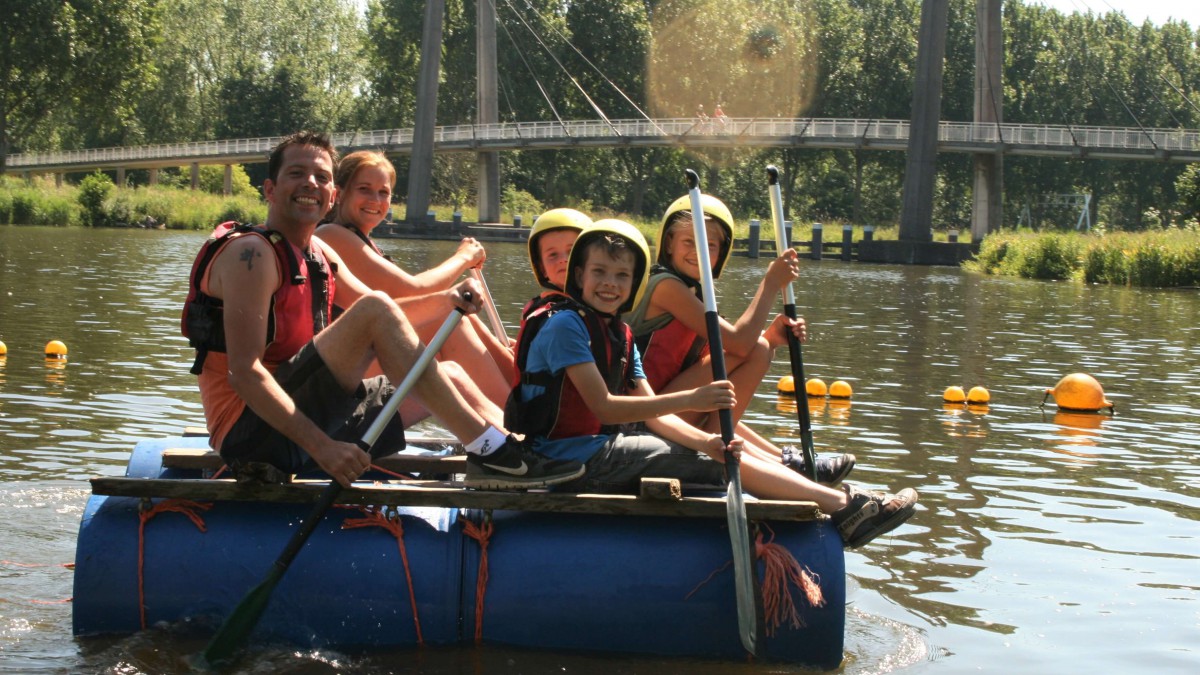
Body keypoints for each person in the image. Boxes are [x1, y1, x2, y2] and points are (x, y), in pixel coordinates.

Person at [181, 131, 583, 490]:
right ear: (269, 189)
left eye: (322, 177)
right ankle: (499, 454)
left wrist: (448, 300)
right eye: (296, 174)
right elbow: (246, 374)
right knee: (376, 308)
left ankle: (518, 454)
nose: (311, 184)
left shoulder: (319, 253)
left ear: (331, 195)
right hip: (251, 432)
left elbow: (393, 313)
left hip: (307, 409)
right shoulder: (251, 254)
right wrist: (325, 449)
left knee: (454, 377)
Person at [506, 219, 918, 548]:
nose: (610, 283)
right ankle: (846, 509)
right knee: (714, 465)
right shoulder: (565, 326)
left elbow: (655, 414)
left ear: (633, 283)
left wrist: (707, 442)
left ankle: (842, 503)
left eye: (621, 275)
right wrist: (697, 400)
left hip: (601, 450)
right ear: (578, 275)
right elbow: (604, 407)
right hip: (564, 460)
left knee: (716, 454)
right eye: (599, 272)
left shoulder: (619, 334)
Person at [626, 192, 856, 486]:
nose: (698, 251)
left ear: (721, 251)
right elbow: (738, 343)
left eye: (710, 245)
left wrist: (772, 337)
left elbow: (734, 348)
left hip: (672, 405)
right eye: (688, 242)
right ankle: (771, 463)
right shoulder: (666, 287)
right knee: (754, 347)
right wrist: (771, 283)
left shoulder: (696, 291)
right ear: (668, 243)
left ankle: (786, 463)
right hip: (647, 415)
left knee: (759, 348)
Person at [316, 150, 514, 417]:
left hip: (368, 358)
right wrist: (464, 257)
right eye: (364, 189)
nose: (375, 200)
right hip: (342, 371)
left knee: (458, 316)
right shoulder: (330, 236)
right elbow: (414, 290)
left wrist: (500, 349)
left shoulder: (364, 243)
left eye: (383, 193)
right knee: (444, 316)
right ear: (339, 194)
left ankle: (526, 392)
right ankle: (517, 425)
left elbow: (414, 299)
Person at [521, 207, 591, 320]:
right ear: (542, 268)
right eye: (553, 255)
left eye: (571, 251)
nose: (563, 259)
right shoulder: (551, 316)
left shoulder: (609, 302)